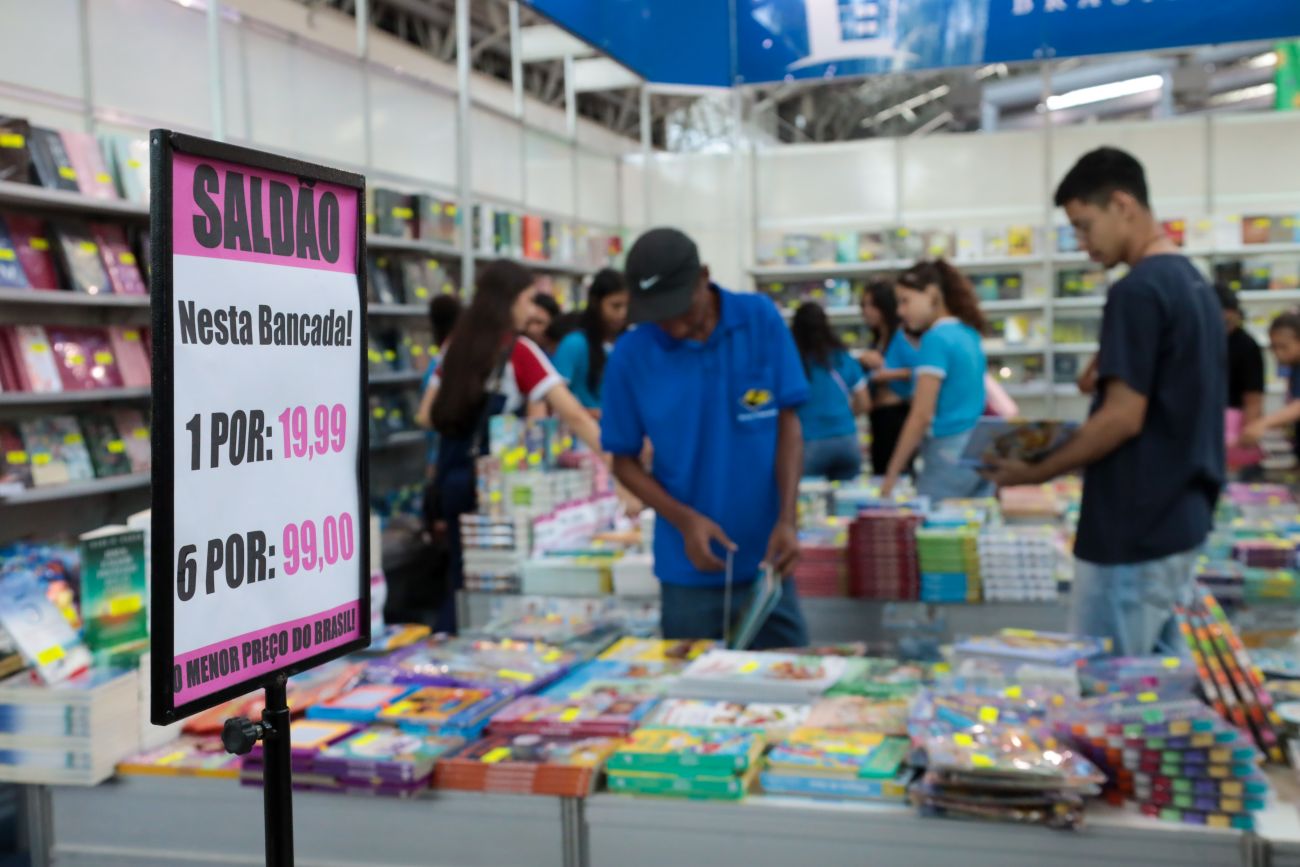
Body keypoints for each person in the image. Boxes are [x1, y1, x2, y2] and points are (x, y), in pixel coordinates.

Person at [986, 146, 1225, 657]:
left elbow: (1122, 418)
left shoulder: (1137, 290)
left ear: (1122, 205)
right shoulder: (1193, 284)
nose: (1082, 242)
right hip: (1178, 519)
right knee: (1159, 688)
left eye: (1084, 225)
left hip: (1132, 527)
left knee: (1107, 690)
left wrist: (1036, 470)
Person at [600, 227, 810, 649]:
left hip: (768, 562)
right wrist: (684, 520)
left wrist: (787, 519)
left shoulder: (759, 319)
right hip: (688, 572)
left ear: (704, 278)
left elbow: (788, 424)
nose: (675, 327)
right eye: (660, 316)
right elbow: (622, 460)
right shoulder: (631, 355)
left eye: (681, 309)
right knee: (688, 686)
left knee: (790, 675)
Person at [424, 260, 604, 633]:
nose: (532, 311)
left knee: (461, 576)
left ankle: (448, 641)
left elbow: (426, 415)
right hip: (494, 489)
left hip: (452, 481)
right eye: (527, 300)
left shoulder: (456, 346)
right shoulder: (519, 351)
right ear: (507, 301)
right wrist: (615, 462)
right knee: (500, 581)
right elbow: (573, 415)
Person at [880, 260, 990, 501]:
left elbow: (921, 415)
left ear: (931, 294)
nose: (900, 311)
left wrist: (892, 473)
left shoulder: (935, 339)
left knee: (935, 522)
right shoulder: (969, 333)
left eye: (905, 301)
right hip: (980, 448)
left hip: (947, 453)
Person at [790, 302, 869, 481]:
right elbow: (864, 401)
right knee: (846, 496)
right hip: (846, 441)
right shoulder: (843, 358)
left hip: (809, 442)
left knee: (809, 495)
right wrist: (843, 416)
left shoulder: (794, 364)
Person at [859, 279, 920, 477]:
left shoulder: (902, 337)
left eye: (871, 305)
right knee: (880, 471)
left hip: (896, 416)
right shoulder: (878, 340)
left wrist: (886, 374)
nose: (866, 311)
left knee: (896, 473)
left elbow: (919, 370)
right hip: (878, 417)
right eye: (863, 305)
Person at [553, 268, 631, 416]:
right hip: (583, 427)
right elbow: (555, 402)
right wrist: (595, 414)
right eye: (616, 306)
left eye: (628, 306)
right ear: (596, 303)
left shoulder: (631, 344)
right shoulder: (574, 344)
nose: (623, 313)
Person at [1217, 284, 1266, 477]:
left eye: (1228, 321)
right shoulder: (1199, 341)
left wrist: (1246, 438)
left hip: (1234, 428)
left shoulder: (1246, 345)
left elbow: (1253, 398)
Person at [1239, 312, 1300, 454]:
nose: (1278, 353)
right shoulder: (1293, 369)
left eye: (1283, 347)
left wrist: (1263, 423)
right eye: (1274, 347)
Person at [415, 294, 463, 461]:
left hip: (442, 449)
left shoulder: (443, 360)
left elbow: (424, 416)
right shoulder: (450, 357)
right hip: (447, 449)